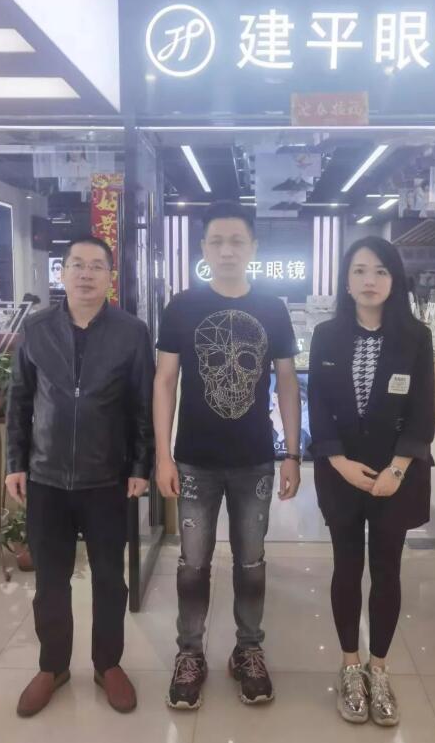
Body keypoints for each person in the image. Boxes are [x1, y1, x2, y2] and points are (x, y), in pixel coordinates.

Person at [154, 201, 301, 710]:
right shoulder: (181, 307)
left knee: (252, 561)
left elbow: (287, 382)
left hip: (254, 459)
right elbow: (164, 381)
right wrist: (163, 456)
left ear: (252, 248)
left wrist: (292, 453)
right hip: (194, 459)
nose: (227, 250)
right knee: (192, 564)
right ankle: (190, 653)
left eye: (237, 240)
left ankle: (248, 650)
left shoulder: (273, 308)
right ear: (204, 249)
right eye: (217, 241)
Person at [5, 235, 155, 718]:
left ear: (110, 276)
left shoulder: (131, 332)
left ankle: (107, 664)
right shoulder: (36, 329)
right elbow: (19, 400)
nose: (86, 274)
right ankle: (53, 667)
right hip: (46, 477)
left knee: (110, 579)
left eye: (96, 266)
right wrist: (15, 462)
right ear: (62, 273)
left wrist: (141, 466)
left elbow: (143, 405)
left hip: (107, 478)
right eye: (77, 265)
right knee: (51, 581)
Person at [308, 236, 435, 727]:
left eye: (381, 271)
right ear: (346, 281)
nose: (369, 280)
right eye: (360, 270)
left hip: (394, 476)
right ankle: (349, 666)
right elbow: (318, 404)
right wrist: (337, 461)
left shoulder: (415, 337)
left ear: (394, 280)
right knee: (346, 566)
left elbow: (422, 411)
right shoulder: (326, 335)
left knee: (387, 570)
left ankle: (378, 669)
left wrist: (398, 470)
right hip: (342, 473)